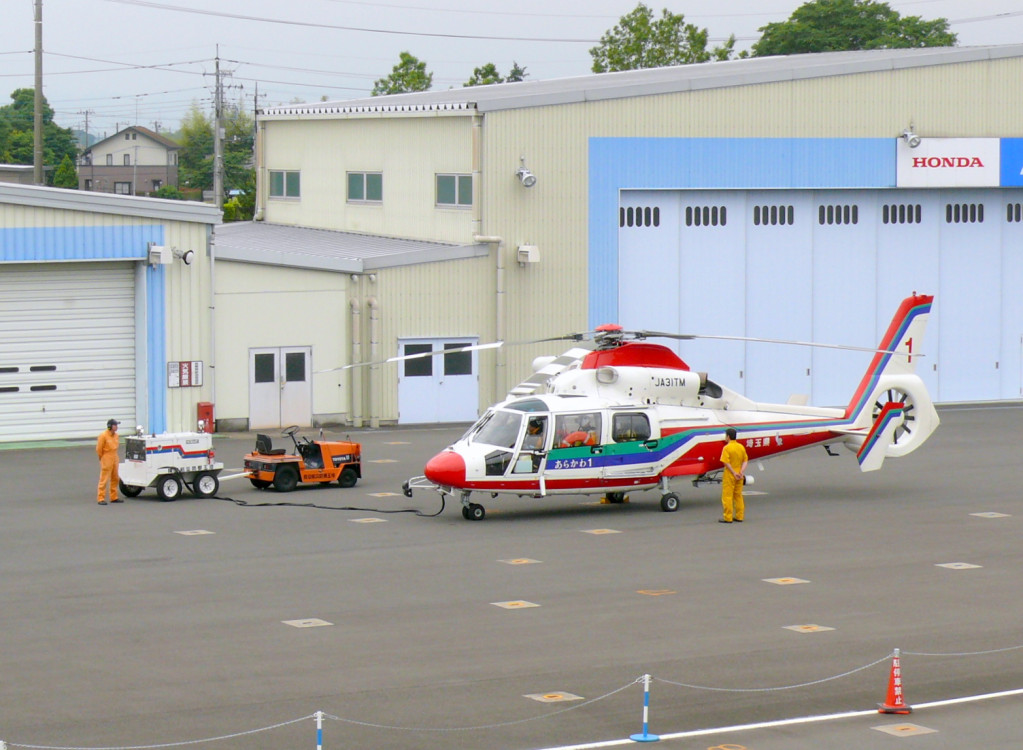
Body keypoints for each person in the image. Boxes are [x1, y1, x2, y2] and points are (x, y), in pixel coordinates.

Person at [719, 427, 748, 523]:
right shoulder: (741, 447)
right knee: (738, 496)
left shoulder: (726, 448)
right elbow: (745, 460)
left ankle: (728, 517)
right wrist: (741, 472)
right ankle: (740, 516)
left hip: (730, 474)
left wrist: (734, 472)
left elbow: (726, 463)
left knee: (727, 496)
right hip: (739, 474)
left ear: (728, 436)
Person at [96, 418, 121, 505]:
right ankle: (100, 498)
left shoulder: (116, 436)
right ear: (110, 426)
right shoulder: (103, 436)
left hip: (114, 456)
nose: (117, 427)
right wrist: (102, 458)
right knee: (104, 478)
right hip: (107, 456)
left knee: (115, 477)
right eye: (115, 425)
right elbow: (99, 449)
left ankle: (113, 497)